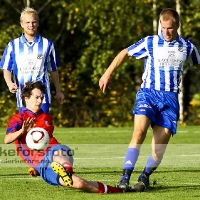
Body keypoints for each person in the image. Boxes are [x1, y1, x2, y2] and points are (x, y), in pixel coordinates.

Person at [99, 8, 200, 192]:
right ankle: (125, 176)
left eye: (170, 28)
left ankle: (144, 177)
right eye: (163, 28)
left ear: (177, 25)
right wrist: (107, 73)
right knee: (139, 132)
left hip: (170, 100)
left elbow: (198, 63)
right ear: (160, 25)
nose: (166, 32)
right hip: (148, 94)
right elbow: (125, 52)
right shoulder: (150, 42)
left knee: (158, 149)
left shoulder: (187, 47)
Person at [4, 81, 139, 193]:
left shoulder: (46, 117)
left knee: (58, 152)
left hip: (56, 151)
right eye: (36, 97)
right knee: (80, 184)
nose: (40, 101)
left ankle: (65, 168)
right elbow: (7, 139)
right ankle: (119, 191)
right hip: (42, 165)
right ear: (26, 98)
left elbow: (46, 142)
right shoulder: (18, 118)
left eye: (41, 97)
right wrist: (22, 131)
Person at [0, 7, 64, 113]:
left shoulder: (47, 44)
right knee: (27, 127)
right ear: (22, 24)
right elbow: (6, 68)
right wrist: (9, 83)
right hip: (23, 96)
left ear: (38, 23)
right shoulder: (13, 45)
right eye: (28, 22)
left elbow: (53, 69)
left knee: (41, 128)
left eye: (33, 22)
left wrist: (58, 91)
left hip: (42, 97)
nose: (31, 25)